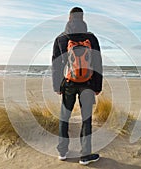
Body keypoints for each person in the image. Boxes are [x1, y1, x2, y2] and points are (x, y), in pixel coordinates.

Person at [52, 7, 103, 165]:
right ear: (82, 18)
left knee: (64, 117)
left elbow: (56, 65)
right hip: (87, 84)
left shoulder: (61, 38)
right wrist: (97, 86)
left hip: (68, 83)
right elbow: (97, 63)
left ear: (69, 18)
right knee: (86, 119)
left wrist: (57, 86)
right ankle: (85, 155)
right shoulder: (91, 38)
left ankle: (62, 152)